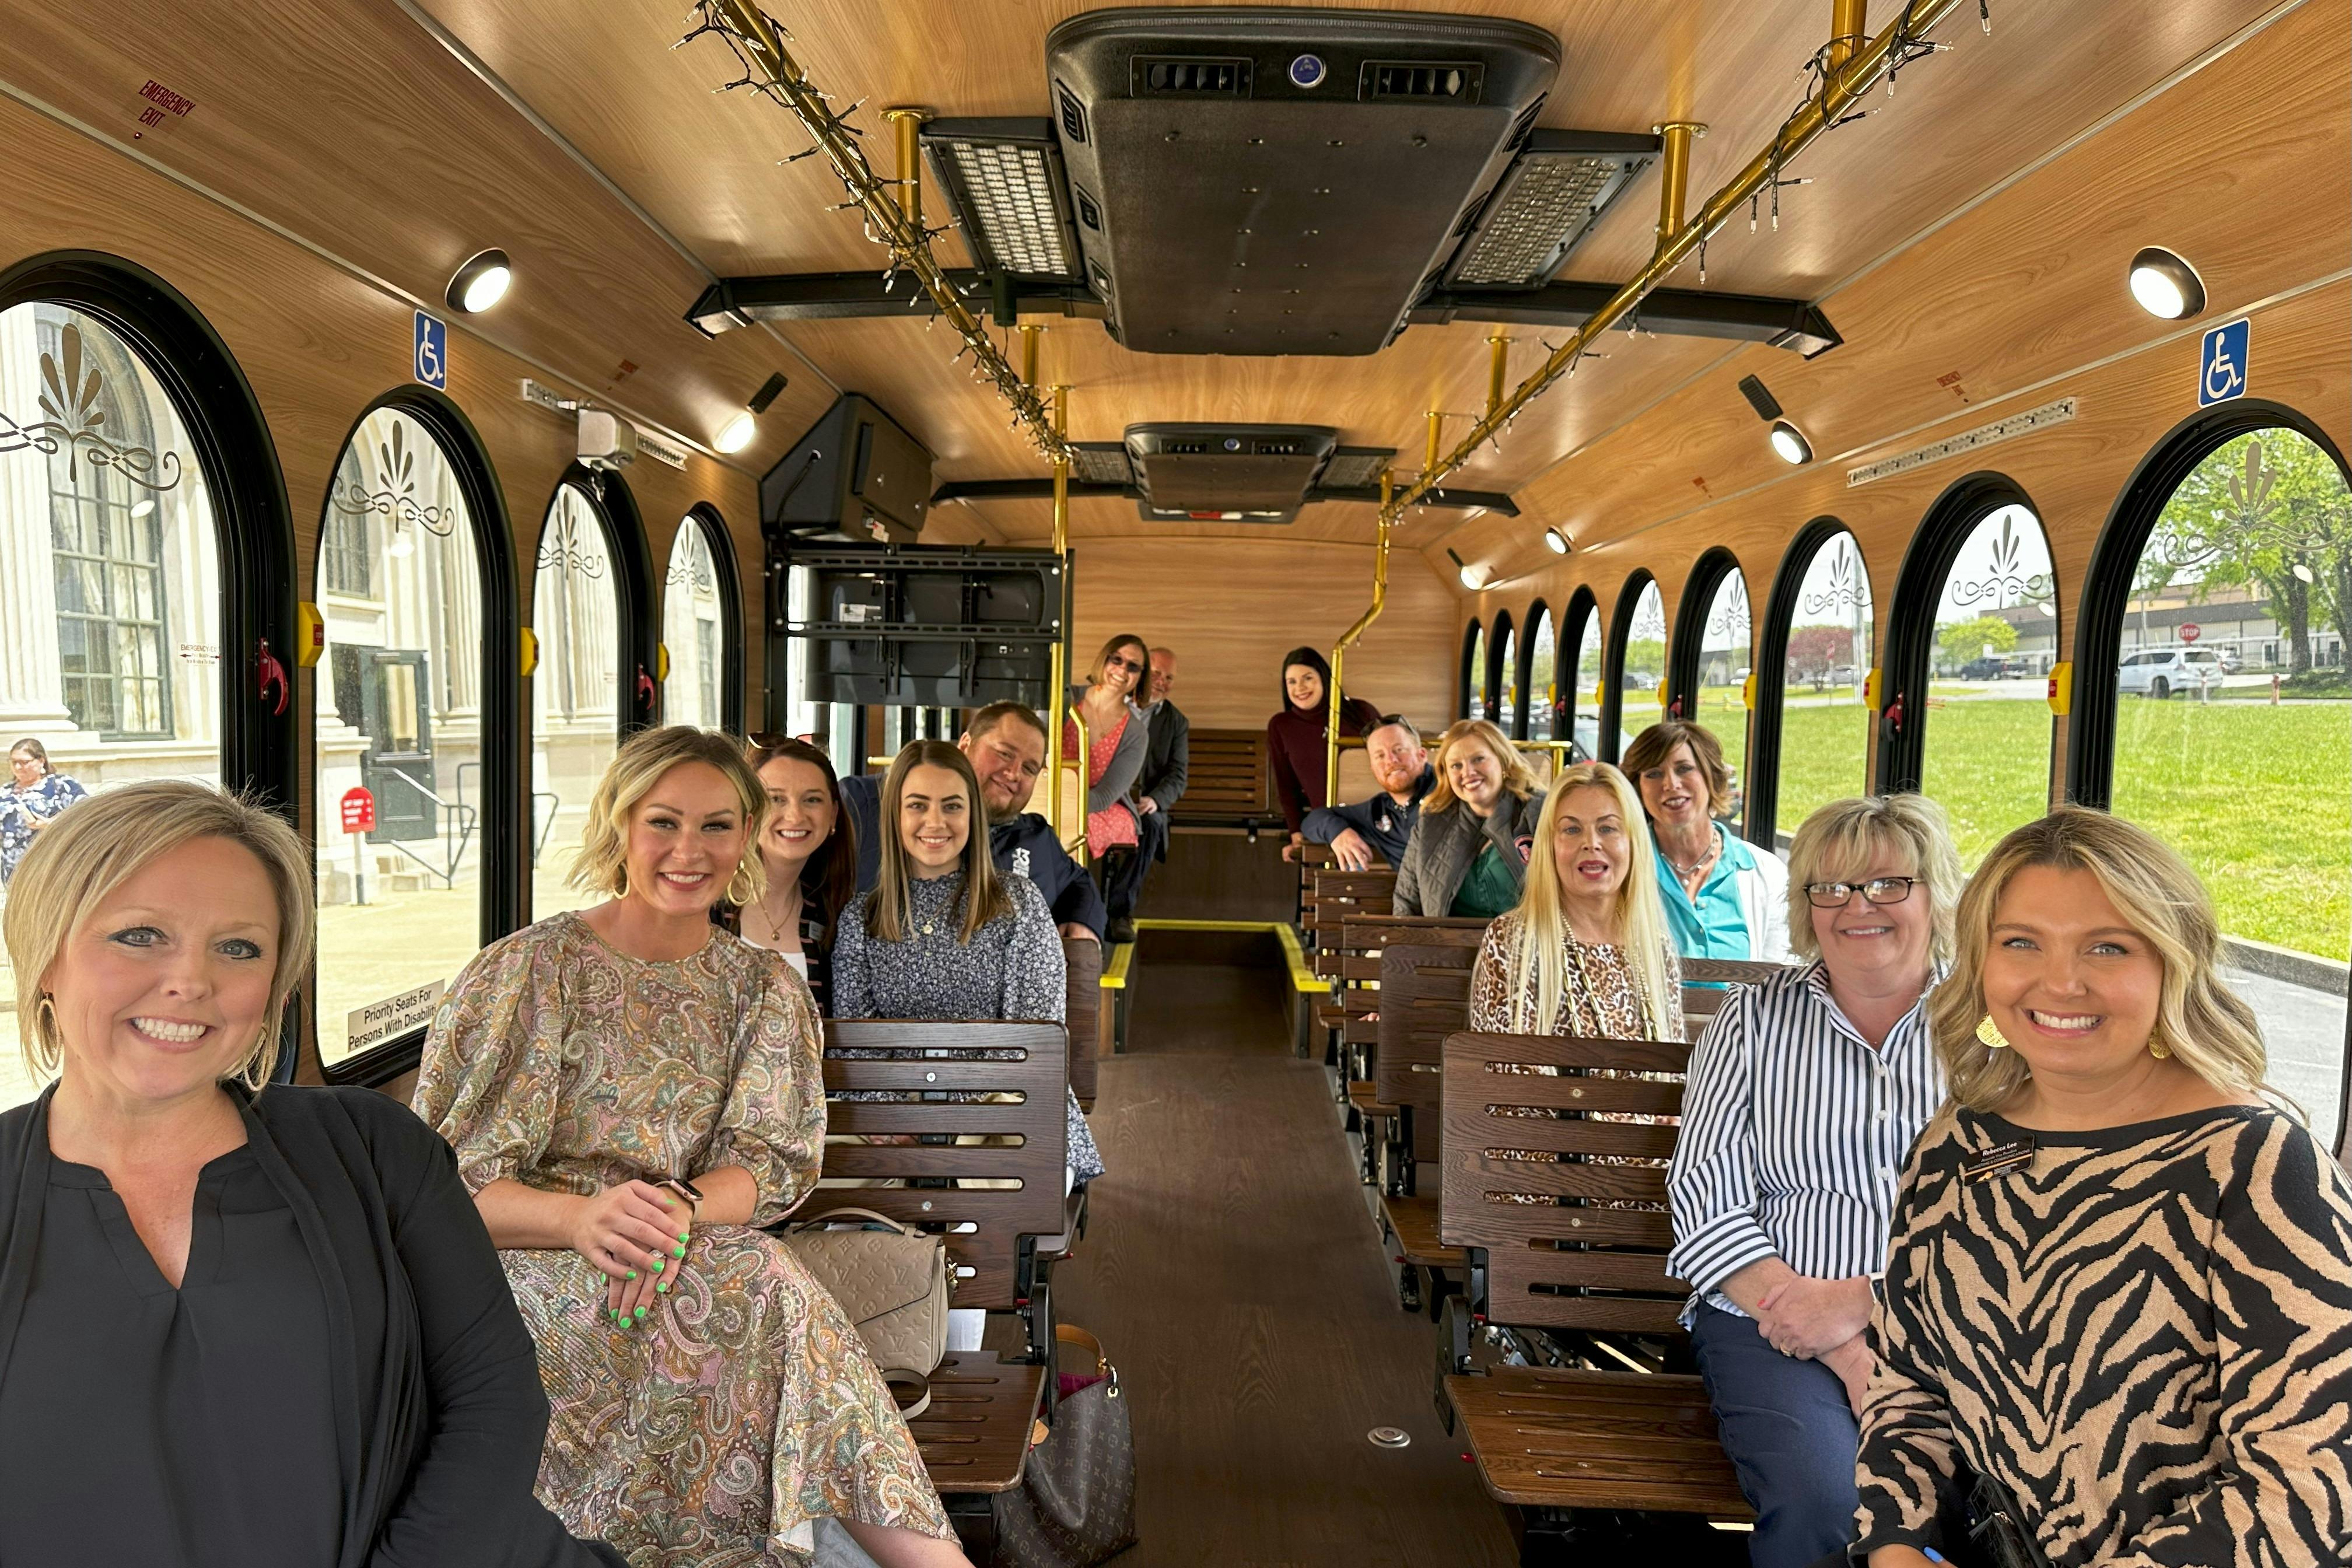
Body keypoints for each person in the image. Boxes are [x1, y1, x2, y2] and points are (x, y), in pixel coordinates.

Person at [0, 780, 622, 1567]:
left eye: (238, 948)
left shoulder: (373, 1149)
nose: (191, 981)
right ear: (47, 956)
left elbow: (493, 1402)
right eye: (139, 936)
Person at [415, 727, 968, 1567]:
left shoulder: (761, 991)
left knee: (754, 1282)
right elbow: (449, 1186)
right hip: (532, 1271)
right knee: (758, 1286)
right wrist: (583, 1221)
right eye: (663, 823)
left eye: (716, 826)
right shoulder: (529, 972)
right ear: (620, 825)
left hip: (685, 1248)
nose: (689, 850)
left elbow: (765, 1164)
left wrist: (670, 1214)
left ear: (746, 836)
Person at [1853, 807, 2352, 1568]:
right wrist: (1892, 1544)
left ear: (2171, 962)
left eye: (2107, 948)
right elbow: (1908, 1386)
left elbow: (2312, 1490)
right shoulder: (1958, 1148)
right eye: (2021, 943)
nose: (2062, 982)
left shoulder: (2256, 1167)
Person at [1664, 794, 1961, 1568]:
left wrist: (1862, 1303)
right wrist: (1844, 1348)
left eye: (1888, 884)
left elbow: (2019, 1212)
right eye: (1830, 888)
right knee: (1829, 1501)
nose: (1858, 907)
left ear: (1935, 893)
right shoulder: (1753, 1023)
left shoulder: (1986, 1032)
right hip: (1770, 1321)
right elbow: (1705, 1201)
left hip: (1955, 1323)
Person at [831, 741, 1105, 1187]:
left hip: (1005, 1107)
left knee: (996, 1192)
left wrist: (950, 1115)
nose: (935, 822)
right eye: (917, 805)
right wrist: (893, 1114)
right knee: (822, 1191)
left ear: (973, 817)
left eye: (952, 806)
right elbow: (855, 1041)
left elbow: (1032, 1038)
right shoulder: (863, 919)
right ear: (894, 816)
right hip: (893, 1117)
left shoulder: (1016, 903)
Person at [842, 702, 1106, 943]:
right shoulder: (865, 804)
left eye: (1029, 769)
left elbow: (1079, 885)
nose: (1014, 773)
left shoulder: (1035, 839)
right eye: (1004, 753)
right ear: (966, 744)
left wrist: (1082, 924)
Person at [1466, 761, 1682, 1041]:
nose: (1591, 843)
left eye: (1608, 829)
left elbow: (1677, 1075)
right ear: (1549, 846)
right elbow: (1504, 1074)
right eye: (1571, 830)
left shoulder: (1657, 948)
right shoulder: (1511, 940)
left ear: (1633, 842)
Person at [1622, 720, 1791, 964]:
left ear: (1711, 777)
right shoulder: (1621, 867)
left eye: (1684, 769)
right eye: (1654, 774)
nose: (1671, 784)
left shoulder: (1767, 872)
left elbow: (1777, 977)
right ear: (1638, 788)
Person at [736, 736, 857, 1013]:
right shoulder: (704, 908)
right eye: (776, 799)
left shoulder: (837, 918)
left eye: (812, 800)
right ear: (747, 810)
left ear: (833, 815)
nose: (795, 816)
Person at [1393, 719, 1545, 919]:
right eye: (1456, 765)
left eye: (1478, 759)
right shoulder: (1430, 824)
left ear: (1503, 762)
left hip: (1525, 947)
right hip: (1448, 946)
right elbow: (1405, 903)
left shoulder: (1541, 812)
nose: (1468, 773)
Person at [1103, 645, 1189, 942]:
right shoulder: (1108, 703)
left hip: (1142, 804)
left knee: (1153, 822)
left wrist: (1156, 800)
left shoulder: (1177, 722)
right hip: (1101, 796)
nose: (1161, 682)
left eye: (1169, 678)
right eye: (1156, 673)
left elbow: (1178, 775)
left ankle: (1118, 913)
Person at [1266, 646, 1383, 845]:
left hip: (1374, 815)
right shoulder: (1281, 726)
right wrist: (1295, 833)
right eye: (1292, 682)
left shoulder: (1361, 712)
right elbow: (1286, 786)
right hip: (1329, 823)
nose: (1300, 687)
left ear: (1323, 678)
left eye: (1308, 678)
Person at [1300, 715, 1435, 872]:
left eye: (1399, 750)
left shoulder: (1450, 791)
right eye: (1380, 756)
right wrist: (1337, 832)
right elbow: (1312, 821)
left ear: (1422, 755)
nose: (1391, 760)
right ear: (1373, 768)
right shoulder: (1378, 812)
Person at [0, 738, 89, 886]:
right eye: (13, 762)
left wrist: (50, 824)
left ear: (41, 761)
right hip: (15, 871)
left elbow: (86, 813)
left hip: (52, 865)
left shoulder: (60, 785)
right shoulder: (4, 792)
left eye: (24, 762)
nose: (18, 767)